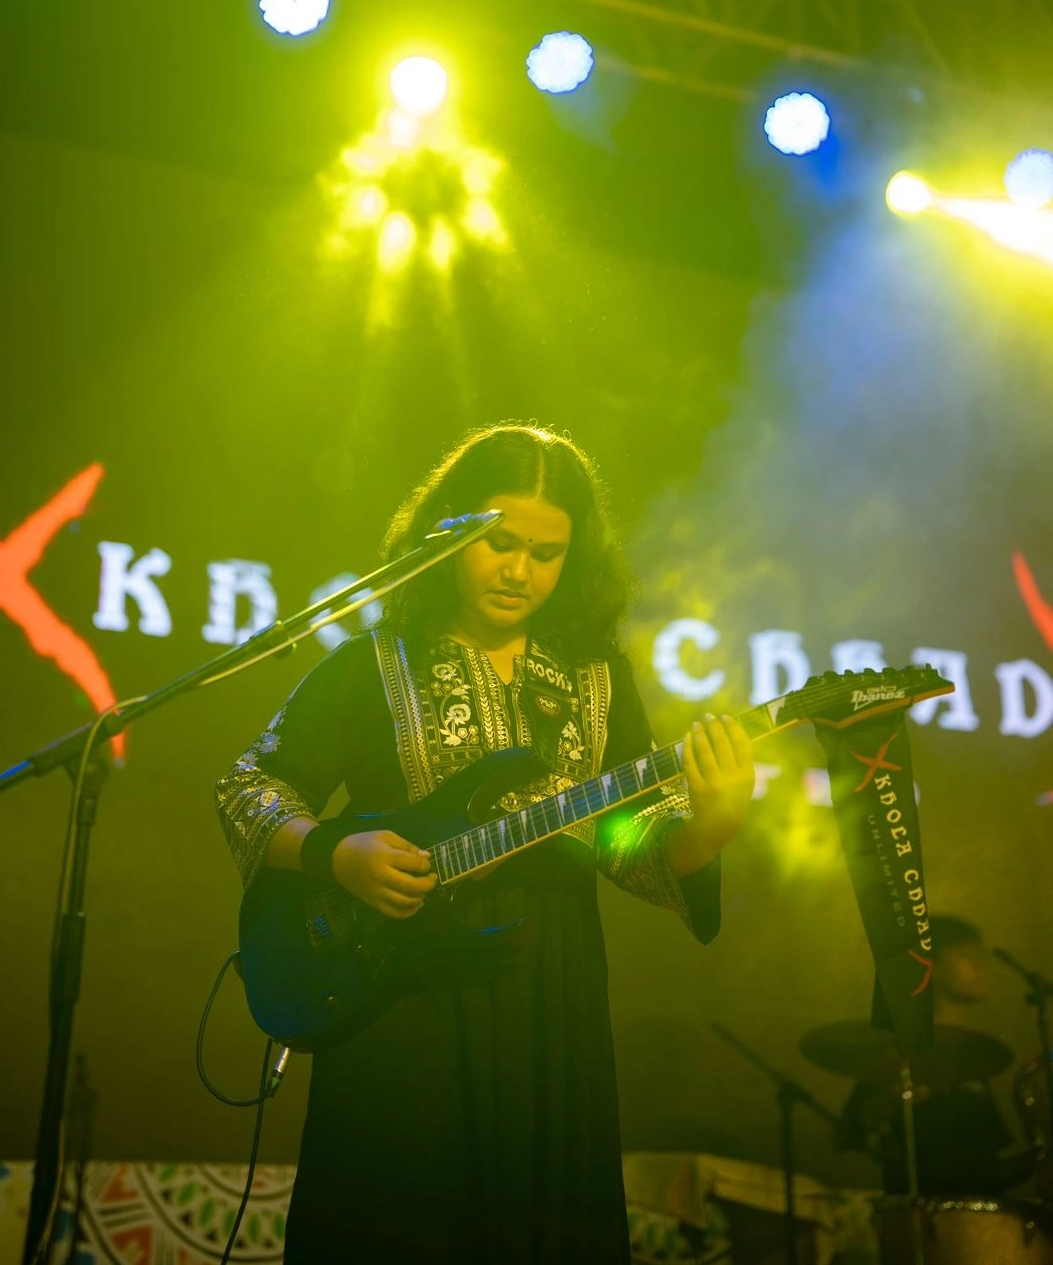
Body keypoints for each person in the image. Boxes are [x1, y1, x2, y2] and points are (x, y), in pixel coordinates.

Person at [215, 424, 755, 1264]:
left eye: (547, 553)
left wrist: (712, 823)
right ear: (448, 535)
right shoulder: (371, 663)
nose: (519, 571)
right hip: (397, 992)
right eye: (500, 543)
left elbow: (633, 846)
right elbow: (248, 787)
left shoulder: (599, 679)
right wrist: (335, 856)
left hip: (552, 997)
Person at [839, 915, 1032, 1196]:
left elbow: (983, 1172)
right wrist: (887, 1103)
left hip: (978, 1216)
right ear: (932, 968)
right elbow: (849, 1133)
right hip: (923, 1217)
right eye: (966, 956)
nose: (982, 965)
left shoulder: (975, 1055)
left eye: (982, 956)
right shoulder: (905, 1050)